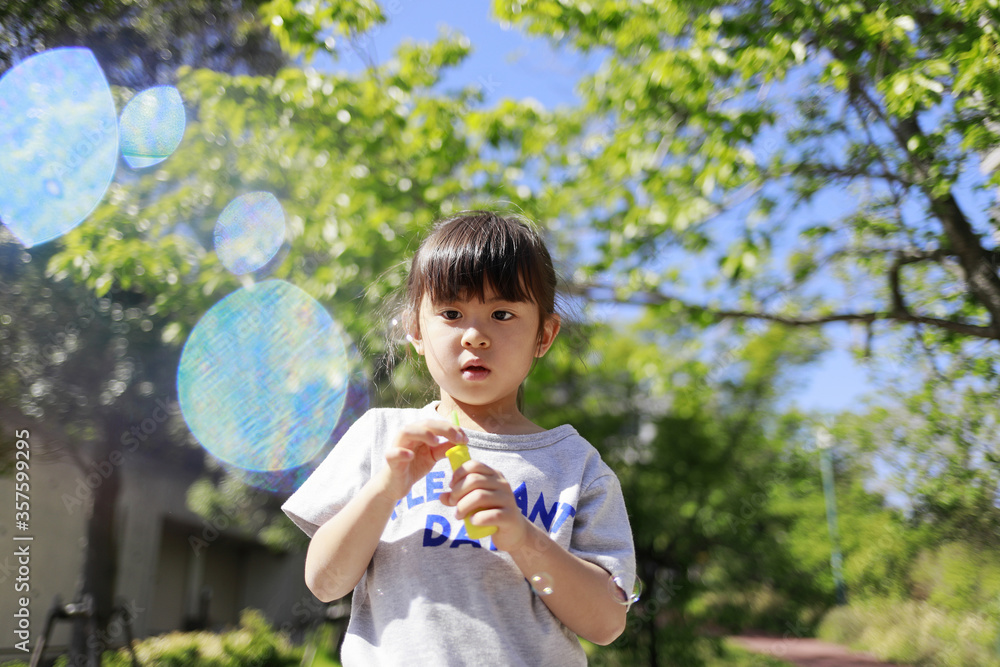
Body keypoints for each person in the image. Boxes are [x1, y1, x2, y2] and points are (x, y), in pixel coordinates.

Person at [282, 210, 636, 666]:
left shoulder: (575, 464)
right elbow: (325, 582)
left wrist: (521, 536)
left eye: (502, 314)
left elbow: (606, 623)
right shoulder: (382, 438)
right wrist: (386, 487)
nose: (475, 335)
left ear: (544, 335)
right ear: (415, 330)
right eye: (451, 313)